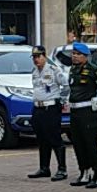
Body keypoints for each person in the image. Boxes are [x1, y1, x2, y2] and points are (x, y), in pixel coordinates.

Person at [27, 45, 68, 182]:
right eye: (34, 57)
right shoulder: (35, 71)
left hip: (50, 108)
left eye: (38, 57)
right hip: (38, 108)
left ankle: (62, 169)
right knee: (42, 139)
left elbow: (66, 85)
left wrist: (62, 100)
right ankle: (44, 168)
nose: (36, 60)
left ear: (45, 56)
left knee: (54, 138)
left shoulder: (54, 69)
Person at [67, 42, 97, 188]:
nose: (74, 57)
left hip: (88, 111)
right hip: (75, 111)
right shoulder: (73, 70)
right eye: (73, 54)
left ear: (85, 56)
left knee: (90, 143)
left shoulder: (94, 70)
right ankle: (84, 171)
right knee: (78, 143)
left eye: (77, 54)